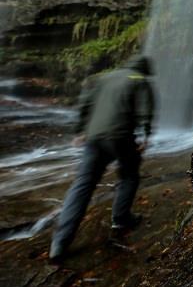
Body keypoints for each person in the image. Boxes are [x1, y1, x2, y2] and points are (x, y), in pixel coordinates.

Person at [49, 55, 155, 262]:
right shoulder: (139, 80)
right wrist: (147, 135)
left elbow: (85, 104)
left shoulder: (106, 78)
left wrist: (80, 130)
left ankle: (59, 242)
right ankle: (121, 218)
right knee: (129, 174)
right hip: (120, 137)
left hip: (94, 136)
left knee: (83, 184)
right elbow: (146, 110)